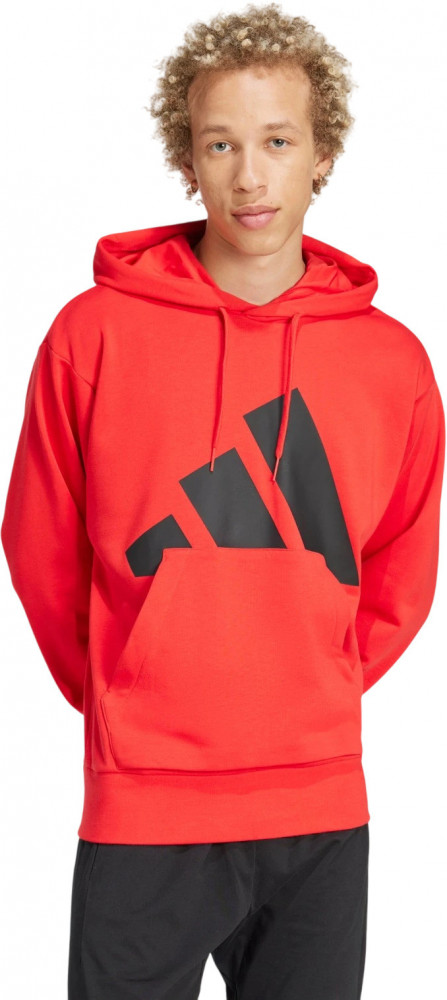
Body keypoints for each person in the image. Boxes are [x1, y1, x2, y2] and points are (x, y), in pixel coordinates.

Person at [1, 4, 445, 999]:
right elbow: (40, 546)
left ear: (322, 155)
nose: (250, 176)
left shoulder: (392, 363)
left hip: (318, 806)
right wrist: (128, 688)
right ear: (187, 159)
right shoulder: (92, 336)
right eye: (221, 144)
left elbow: (402, 570)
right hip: (144, 806)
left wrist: (309, 684)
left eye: (278, 142)